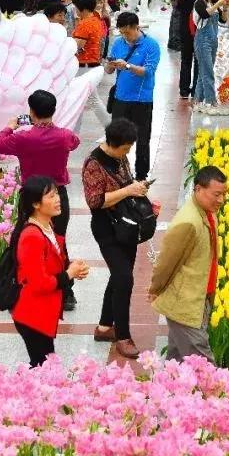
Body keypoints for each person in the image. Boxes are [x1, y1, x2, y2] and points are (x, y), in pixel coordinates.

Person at [0, 89, 81, 310]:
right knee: (58, 241)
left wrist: (11, 126)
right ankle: (66, 293)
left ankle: (17, 286)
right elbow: (75, 142)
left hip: (32, 197)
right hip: (58, 194)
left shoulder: (23, 138)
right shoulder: (64, 136)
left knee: (23, 240)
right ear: (53, 110)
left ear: (31, 112)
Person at [82, 119, 147, 360]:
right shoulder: (93, 164)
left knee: (119, 276)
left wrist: (138, 190)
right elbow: (95, 201)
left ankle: (103, 327)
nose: (128, 152)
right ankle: (123, 336)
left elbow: (126, 183)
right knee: (124, 279)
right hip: (106, 228)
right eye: (126, 147)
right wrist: (128, 191)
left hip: (126, 226)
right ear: (113, 143)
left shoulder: (120, 158)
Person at [149, 166, 228, 363]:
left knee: (176, 364)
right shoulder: (188, 222)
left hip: (200, 298)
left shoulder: (207, 212)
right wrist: (156, 288)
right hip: (185, 304)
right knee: (204, 368)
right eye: (216, 194)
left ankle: (165, 391)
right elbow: (167, 262)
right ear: (198, 189)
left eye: (224, 194)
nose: (221, 200)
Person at [10, 176, 90, 367]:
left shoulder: (47, 226)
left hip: (42, 311)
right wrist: (69, 274)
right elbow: (40, 283)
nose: (58, 199)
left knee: (45, 366)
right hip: (32, 313)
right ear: (36, 204)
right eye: (51, 196)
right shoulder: (32, 236)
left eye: (57, 194)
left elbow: (53, 263)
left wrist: (72, 268)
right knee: (43, 368)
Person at [106, 12, 161, 181]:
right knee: (115, 138)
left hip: (141, 100)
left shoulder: (151, 45)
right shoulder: (118, 43)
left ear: (136, 27)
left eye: (127, 32)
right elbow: (109, 70)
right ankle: (114, 171)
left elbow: (148, 71)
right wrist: (110, 65)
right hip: (120, 98)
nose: (125, 36)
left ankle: (141, 175)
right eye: (122, 32)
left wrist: (128, 65)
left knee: (142, 139)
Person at [70, 0, 110, 129]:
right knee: (81, 99)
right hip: (91, 62)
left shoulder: (85, 23)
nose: (75, 10)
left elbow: (78, 45)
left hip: (83, 65)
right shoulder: (95, 20)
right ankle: (74, 130)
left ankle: (111, 128)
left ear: (83, 8)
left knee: (91, 99)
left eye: (76, 7)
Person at [192, 0, 229, 114]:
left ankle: (197, 101)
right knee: (208, 73)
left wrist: (224, 8)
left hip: (213, 41)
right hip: (202, 41)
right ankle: (211, 102)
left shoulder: (212, 4)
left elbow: (223, 20)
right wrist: (218, 4)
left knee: (203, 72)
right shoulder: (200, 2)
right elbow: (205, 14)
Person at [177, 0, 204, 98]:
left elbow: (178, 9)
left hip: (185, 31)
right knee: (198, 61)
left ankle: (183, 89)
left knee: (186, 60)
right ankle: (195, 90)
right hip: (200, 30)